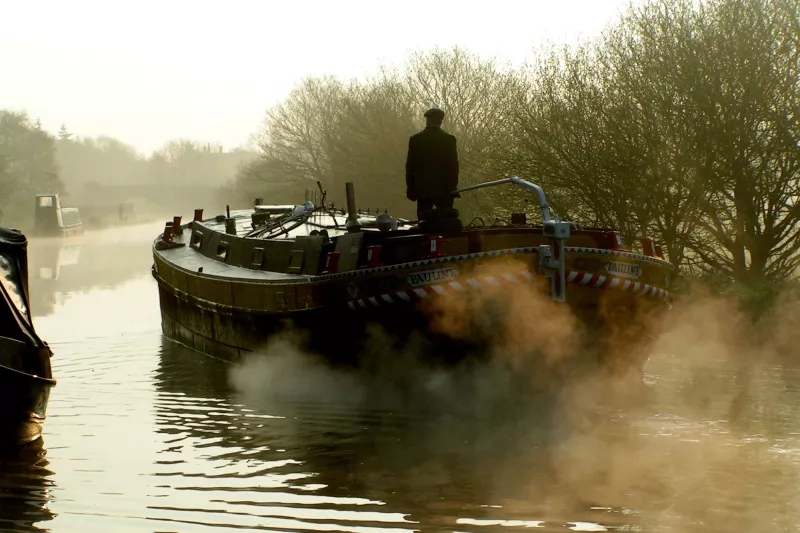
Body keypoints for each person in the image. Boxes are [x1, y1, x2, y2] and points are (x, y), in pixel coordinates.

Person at [405, 107, 459, 221]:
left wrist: (410, 188)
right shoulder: (449, 140)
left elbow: (410, 166)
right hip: (444, 189)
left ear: (427, 120)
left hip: (422, 189)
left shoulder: (416, 139)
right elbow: (453, 166)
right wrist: (453, 187)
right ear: (440, 121)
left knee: (424, 223)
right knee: (446, 222)